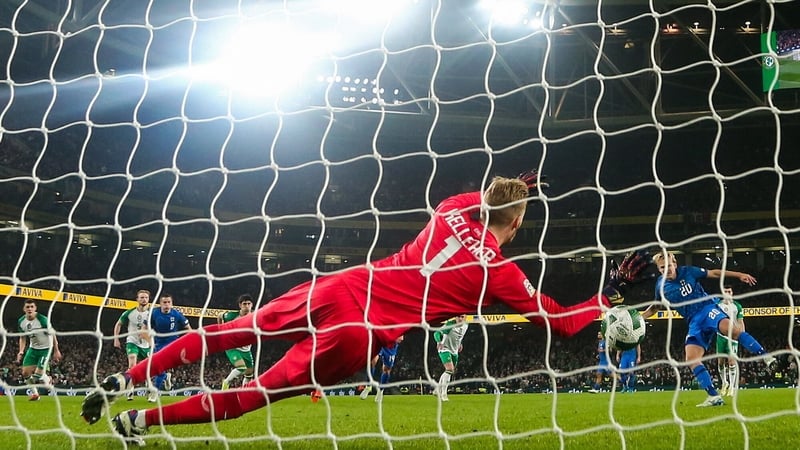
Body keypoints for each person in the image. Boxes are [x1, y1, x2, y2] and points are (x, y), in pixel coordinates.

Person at [81, 171, 653, 440]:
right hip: (360, 330)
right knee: (255, 393)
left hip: (341, 285)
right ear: (522, 223)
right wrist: (611, 294)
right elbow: (562, 323)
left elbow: (478, 200)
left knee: (231, 332)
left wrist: (509, 188)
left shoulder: (450, 210)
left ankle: (126, 378)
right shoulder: (499, 274)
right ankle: (140, 421)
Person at [642, 252, 775, 408]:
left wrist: (739, 275)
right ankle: (714, 396)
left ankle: (767, 357)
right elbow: (657, 306)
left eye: (669, 266)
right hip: (693, 322)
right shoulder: (660, 286)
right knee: (691, 359)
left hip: (706, 309)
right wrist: (639, 318)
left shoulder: (688, 271)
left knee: (733, 330)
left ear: (675, 263)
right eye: (663, 267)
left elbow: (714, 272)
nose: (667, 270)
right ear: (659, 269)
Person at [147, 293, 191, 402]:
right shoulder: (153, 313)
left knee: (160, 367)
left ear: (172, 303)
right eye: (164, 302)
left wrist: (188, 341)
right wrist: (150, 341)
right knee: (157, 368)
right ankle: (166, 377)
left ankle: (155, 392)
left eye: (169, 302)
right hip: (158, 344)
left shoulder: (177, 314)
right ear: (160, 304)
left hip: (173, 344)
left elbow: (188, 329)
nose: (167, 305)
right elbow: (144, 329)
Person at [17, 300, 62, 401]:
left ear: (35, 308)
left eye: (31, 307)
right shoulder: (21, 321)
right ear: (24, 309)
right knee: (25, 373)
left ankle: (48, 379)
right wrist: (21, 351)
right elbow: (22, 337)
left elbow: (53, 334)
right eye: (27, 307)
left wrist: (56, 350)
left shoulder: (42, 320)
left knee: (37, 376)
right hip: (33, 349)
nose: (29, 309)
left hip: (45, 349)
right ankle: (35, 394)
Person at [113, 289, 152, 401]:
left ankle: (149, 390)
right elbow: (118, 324)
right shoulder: (129, 313)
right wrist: (116, 339)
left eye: (146, 297)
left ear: (148, 300)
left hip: (146, 344)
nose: (144, 299)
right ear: (137, 299)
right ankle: (130, 390)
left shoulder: (152, 313)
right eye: (142, 297)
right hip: (132, 341)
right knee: (132, 365)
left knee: (148, 368)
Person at [218, 294, 255, 390]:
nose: (246, 306)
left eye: (248, 304)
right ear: (240, 305)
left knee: (249, 374)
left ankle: (244, 392)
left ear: (252, 305)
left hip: (246, 349)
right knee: (241, 368)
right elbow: (220, 315)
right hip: (232, 346)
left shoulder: (255, 316)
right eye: (244, 304)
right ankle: (226, 382)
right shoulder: (231, 316)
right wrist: (220, 329)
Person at [432, 314, 469, 402]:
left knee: (449, 371)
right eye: (458, 316)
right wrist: (438, 342)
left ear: (465, 317)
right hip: (444, 348)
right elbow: (436, 333)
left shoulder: (466, 326)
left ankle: (437, 389)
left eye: (462, 317)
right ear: (455, 317)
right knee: (450, 369)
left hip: (454, 351)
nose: (460, 319)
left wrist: (460, 344)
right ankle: (443, 394)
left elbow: (461, 336)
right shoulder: (449, 324)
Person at [716, 285, 743, 397]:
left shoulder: (737, 306)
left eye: (729, 291)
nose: (727, 293)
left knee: (732, 362)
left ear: (732, 293)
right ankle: (724, 383)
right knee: (720, 362)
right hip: (720, 336)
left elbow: (740, 321)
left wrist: (743, 335)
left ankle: (732, 386)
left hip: (733, 337)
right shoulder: (718, 305)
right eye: (725, 291)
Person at [360, 335, 403, 403]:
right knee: (373, 360)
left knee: (387, 370)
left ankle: (380, 391)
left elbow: (401, 337)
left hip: (391, 348)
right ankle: (368, 386)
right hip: (381, 343)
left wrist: (398, 337)